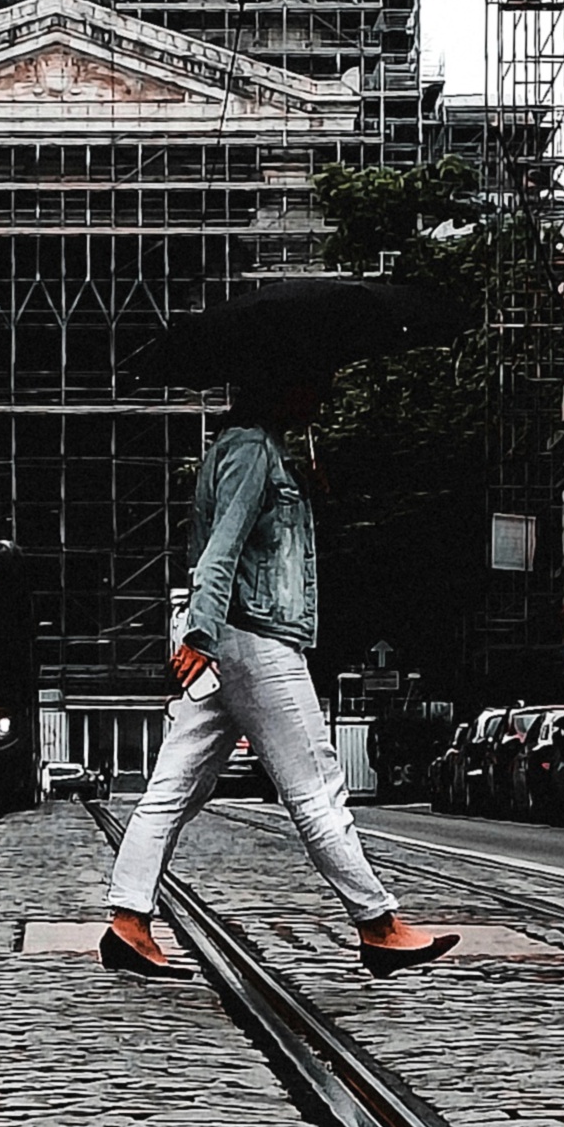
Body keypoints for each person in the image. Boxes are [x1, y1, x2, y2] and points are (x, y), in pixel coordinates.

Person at [101, 371, 457, 979]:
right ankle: (378, 925)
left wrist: (302, 490)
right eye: (309, 381)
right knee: (316, 787)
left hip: (232, 639)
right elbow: (222, 550)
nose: (320, 392)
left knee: (173, 788)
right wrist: (202, 633)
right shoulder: (249, 452)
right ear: (278, 385)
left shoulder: (259, 453)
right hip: (256, 640)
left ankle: (128, 921)